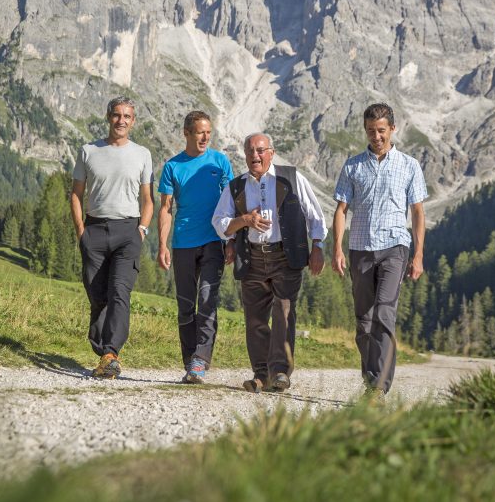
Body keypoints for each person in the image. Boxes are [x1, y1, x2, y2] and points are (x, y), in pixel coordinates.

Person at [211, 133, 327, 392]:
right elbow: (219, 221)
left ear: (271, 153)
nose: (256, 156)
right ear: (245, 154)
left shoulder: (292, 178)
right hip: (251, 256)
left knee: (283, 312)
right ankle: (261, 375)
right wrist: (244, 221)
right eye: (251, 151)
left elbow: (315, 216)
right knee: (255, 319)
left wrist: (317, 246)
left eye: (261, 150)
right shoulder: (237, 185)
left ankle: (281, 372)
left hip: (286, 257)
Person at [331, 102, 427, 395]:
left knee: (384, 314)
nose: (377, 136)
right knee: (364, 321)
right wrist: (337, 248)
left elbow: (418, 213)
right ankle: (370, 376)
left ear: (392, 129)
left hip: (395, 248)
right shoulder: (353, 165)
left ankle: (379, 387)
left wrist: (418, 255)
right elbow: (341, 209)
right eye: (371, 131)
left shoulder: (409, 165)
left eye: (382, 130)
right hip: (360, 248)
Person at [70, 96, 154, 379]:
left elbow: (148, 198)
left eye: (127, 116)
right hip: (94, 230)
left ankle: (111, 353)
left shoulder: (142, 154)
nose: (121, 121)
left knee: (120, 292)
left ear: (133, 121)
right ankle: (102, 345)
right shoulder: (88, 151)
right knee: (97, 295)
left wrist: (142, 229)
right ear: (108, 117)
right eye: (117, 115)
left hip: (128, 232)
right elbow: (76, 193)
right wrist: (81, 230)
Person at [157, 111, 234, 384]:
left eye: (208, 133)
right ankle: (190, 361)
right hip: (183, 243)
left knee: (207, 300)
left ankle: (201, 360)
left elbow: (231, 204)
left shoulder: (220, 161)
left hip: (213, 241)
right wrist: (162, 245)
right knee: (186, 305)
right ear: (186, 133)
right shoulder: (172, 166)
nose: (205, 137)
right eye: (200, 132)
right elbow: (166, 209)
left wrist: (230, 241)